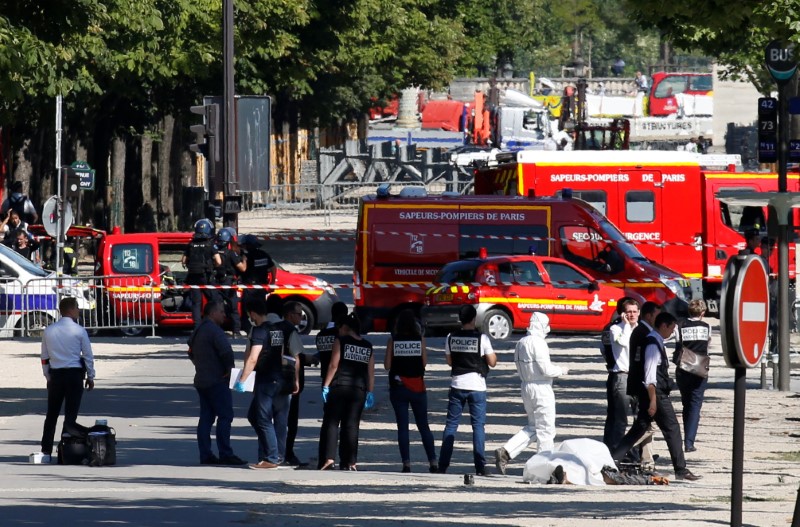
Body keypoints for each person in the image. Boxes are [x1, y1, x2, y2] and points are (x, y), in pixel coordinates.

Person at [612, 312, 701, 481]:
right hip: (656, 394)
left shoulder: (656, 340)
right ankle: (681, 469)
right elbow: (650, 376)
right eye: (672, 328)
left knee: (640, 427)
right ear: (663, 326)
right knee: (672, 428)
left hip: (654, 393)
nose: (673, 332)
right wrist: (653, 401)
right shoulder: (652, 344)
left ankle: (613, 459)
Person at [495, 312, 568, 476]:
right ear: (542, 325)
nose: (548, 329)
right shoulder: (539, 343)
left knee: (534, 427)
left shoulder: (521, 342)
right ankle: (543, 468)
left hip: (526, 386)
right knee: (546, 430)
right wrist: (561, 370)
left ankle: (507, 451)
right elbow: (546, 369)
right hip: (541, 387)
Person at [236, 297, 299, 469]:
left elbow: (253, 358)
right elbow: (288, 355)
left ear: (253, 313)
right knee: (261, 416)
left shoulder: (259, 331)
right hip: (280, 377)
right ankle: (275, 453)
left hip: (266, 379)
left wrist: (242, 380)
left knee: (262, 418)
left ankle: (271, 457)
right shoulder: (278, 329)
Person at [437, 305, 497, 476]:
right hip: (477, 386)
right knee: (478, 427)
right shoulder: (482, 338)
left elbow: (449, 362)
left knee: (451, 426)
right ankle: (480, 467)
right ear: (473, 319)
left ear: (460, 319)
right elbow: (492, 362)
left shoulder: (451, 337)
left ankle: (443, 466)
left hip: (457, 384)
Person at [187, 301, 246, 465]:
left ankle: (205, 454)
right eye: (221, 312)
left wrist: (199, 364)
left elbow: (190, 350)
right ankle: (226, 453)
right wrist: (229, 369)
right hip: (217, 380)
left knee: (206, 417)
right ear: (213, 313)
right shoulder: (215, 331)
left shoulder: (199, 329)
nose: (224, 315)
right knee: (225, 416)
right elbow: (227, 352)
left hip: (201, 380)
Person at [39, 297, 95, 461]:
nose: (78, 311)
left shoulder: (49, 330)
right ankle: (67, 448)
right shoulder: (79, 331)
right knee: (70, 415)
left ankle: (46, 450)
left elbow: (44, 357)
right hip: (74, 375)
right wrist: (90, 376)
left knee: (52, 414)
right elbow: (88, 356)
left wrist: (48, 376)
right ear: (71, 310)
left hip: (56, 375)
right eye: (77, 308)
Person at [385, 309, 438, 473]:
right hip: (417, 387)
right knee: (424, 426)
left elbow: (387, 365)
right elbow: (424, 364)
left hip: (399, 387)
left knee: (403, 427)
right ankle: (433, 462)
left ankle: (406, 464)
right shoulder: (419, 340)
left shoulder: (393, 340)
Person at [319, 313, 375, 471]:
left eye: (340, 329)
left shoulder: (341, 341)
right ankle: (350, 461)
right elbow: (371, 372)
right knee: (351, 426)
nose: (338, 331)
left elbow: (333, 365)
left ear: (346, 328)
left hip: (339, 387)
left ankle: (329, 459)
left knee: (331, 423)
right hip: (358, 390)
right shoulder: (367, 346)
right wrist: (370, 391)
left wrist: (326, 385)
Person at [623, 301, 661, 467]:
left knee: (645, 423)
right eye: (656, 315)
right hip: (643, 386)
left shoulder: (643, 330)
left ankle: (647, 460)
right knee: (647, 425)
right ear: (649, 315)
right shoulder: (645, 333)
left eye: (634, 311)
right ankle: (623, 449)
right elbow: (643, 364)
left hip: (640, 385)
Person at [282, 300, 318, 467]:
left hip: (278, 379)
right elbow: (297, 357)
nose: (301, 316)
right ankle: (288, 452)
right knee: (291, 421)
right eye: (299, 313)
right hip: (290, 382)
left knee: (278, 418)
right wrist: (312, 359)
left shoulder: (276, 328)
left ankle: (274, 452)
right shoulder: (291, 332)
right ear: (290, 315)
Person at [675, 299, 711, 453]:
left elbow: (677, 343)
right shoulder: (706, 327)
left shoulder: (680, 325)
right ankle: (689, 442)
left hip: (684, 368)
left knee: (686, 403)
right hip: (700, 369)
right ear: (703, 313)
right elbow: (708, 346)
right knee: (695, 404)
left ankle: (686, 435)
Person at [314, 301, 348, 469]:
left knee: (328, 422)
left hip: (325, 380)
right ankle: (346, 460)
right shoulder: (343, 335)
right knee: (346, 422)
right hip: (343, 380)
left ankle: (324, 458)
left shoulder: (321, 335)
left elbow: (321, 354)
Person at [603, 298, 640, 449]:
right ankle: (615, 453)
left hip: (638, 376)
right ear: (622, 314)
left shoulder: (642, 329)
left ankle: (636, 454)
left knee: (640, 419)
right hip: (622, 377)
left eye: (634, 312)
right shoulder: (616, 329)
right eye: (628, 312)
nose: (632, 315)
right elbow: (623, 342)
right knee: (620, 419)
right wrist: (626, 325)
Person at [181, 219, 222, 329]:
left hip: (193, 277)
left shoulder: (190, 245)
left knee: (196, 303)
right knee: (214, 301)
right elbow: (218, 261)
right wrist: (213, 267)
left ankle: (197, 327)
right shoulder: (211, 245)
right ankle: (212, 324)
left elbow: (183, 261)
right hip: (207, 276)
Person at [239, 234, 277, 332]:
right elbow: (273, 267)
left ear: (247, 245)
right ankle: (263, 329)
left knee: (245, 314)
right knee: (261, 312)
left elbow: (243, 269)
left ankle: (251, 331)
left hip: (250, 289)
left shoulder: (247, 256)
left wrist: (243, 258)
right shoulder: (264, 254)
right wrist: (272, 281)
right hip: (261, 288)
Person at [214, 227, 246, 337]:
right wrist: (245, 259)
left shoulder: (213, 252)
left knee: (217, 307)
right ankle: (236, 332)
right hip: (229, 282)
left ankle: (217, 331)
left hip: (217, 282)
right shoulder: (231, 253)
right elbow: (242, 268)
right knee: (233, 308)